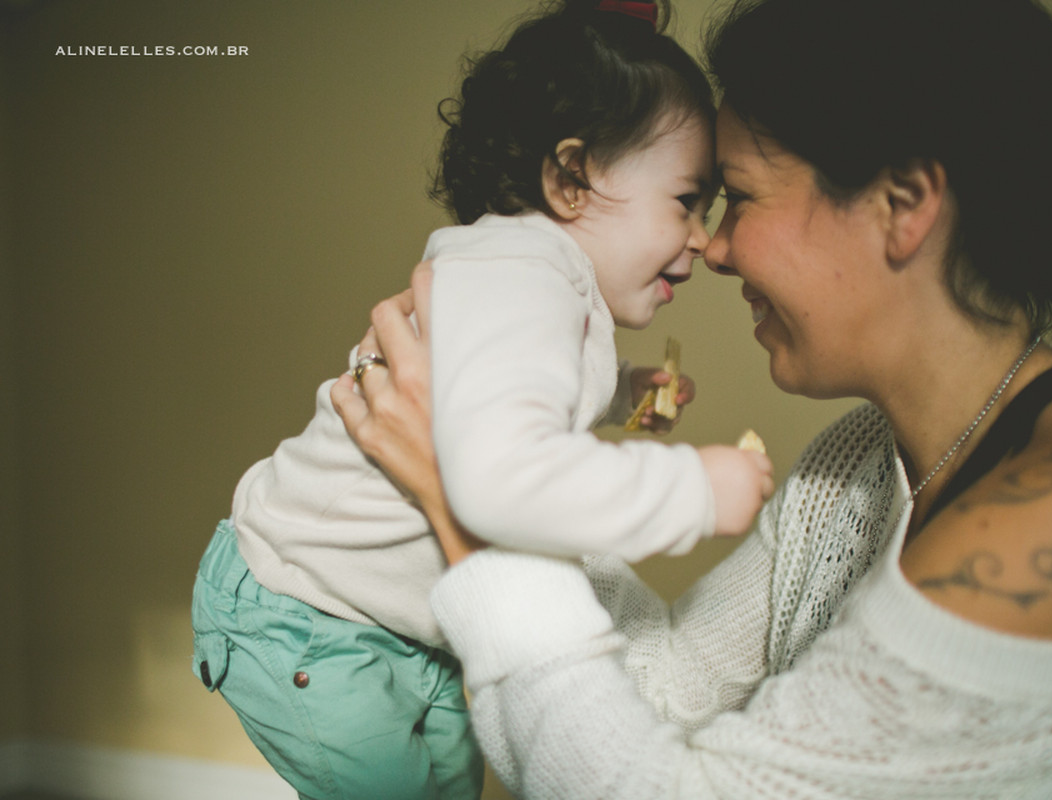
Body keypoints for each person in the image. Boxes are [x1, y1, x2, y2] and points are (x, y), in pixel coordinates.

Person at [332, 0, 1052, 796]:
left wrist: (473, 503)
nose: (711, 251)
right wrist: (515, 457)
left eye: (739, 197)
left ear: (902, 204)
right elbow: (663, 693)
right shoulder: (854, 466)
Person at [189, 1, 774, 798]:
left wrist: (626, 389)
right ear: (572, 179)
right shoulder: (519, 270)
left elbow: (519, 385)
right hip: (304, 610)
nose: (703, 239)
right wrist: (695, 491)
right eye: (685, 202)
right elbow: (501, 479)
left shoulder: (539, 277)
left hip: (392, 625)